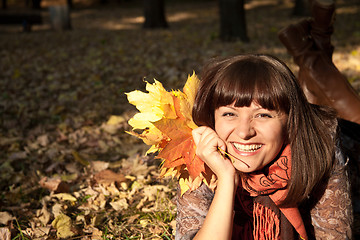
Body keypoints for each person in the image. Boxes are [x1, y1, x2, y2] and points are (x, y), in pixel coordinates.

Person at [175, 53, 352, 240]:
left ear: (290, 121)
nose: (244, 132)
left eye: (263, 115)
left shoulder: (321, 144)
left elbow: (334, 234)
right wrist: (227, 179)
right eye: (229, 114)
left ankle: (313, 59)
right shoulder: (200, 150)